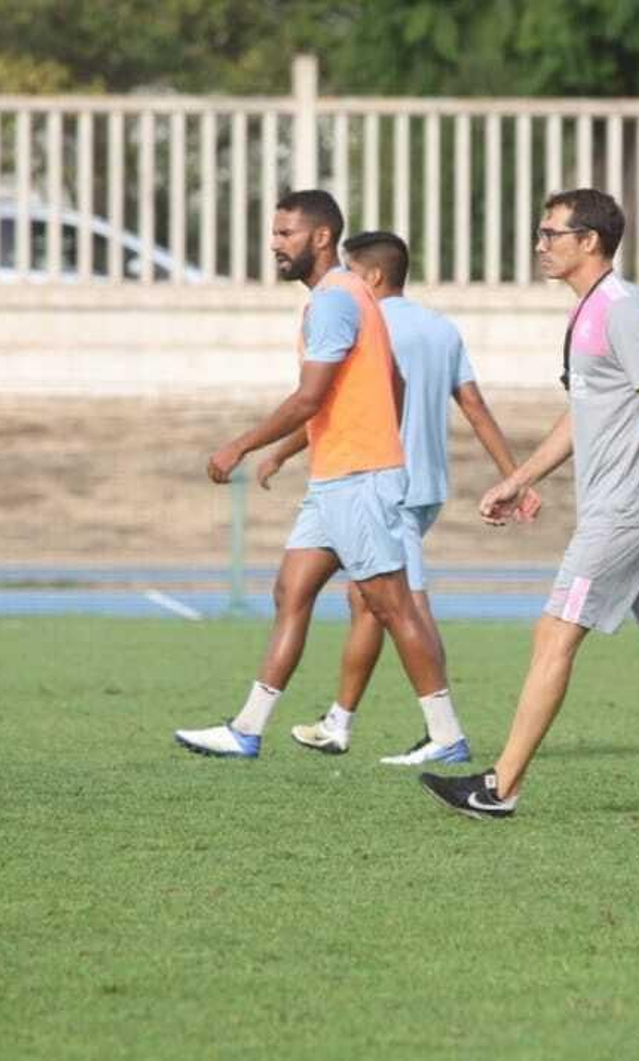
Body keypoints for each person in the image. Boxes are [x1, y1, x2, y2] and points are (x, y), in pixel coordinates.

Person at [419, 188, 639, 821]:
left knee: (554, 632)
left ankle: (499, 787)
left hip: (627, 513)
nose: (540, 245)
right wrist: (521, 476)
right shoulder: (585, 311)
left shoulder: (622, 308)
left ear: (589, 241)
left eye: (550, 234)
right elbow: (582, 413)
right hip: (620, 508)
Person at [172, 190, 455, 762]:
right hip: (338, 476)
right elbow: (390, 382)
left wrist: (243, 446)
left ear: (321, 237)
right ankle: (247, 729)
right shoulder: (348, 295)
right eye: (275, 233)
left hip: (358, 478)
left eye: (286, 234)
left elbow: (308, 398)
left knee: (391, 605)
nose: (275, 245)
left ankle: (446, 734)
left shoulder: (332, 300)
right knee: (291, 591)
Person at [259, 230, 540, 764]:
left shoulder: (363, 319)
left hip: (380, 481)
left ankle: (444, 733)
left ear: (371, 277)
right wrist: (515, 477)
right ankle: (338, 722)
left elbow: (330, 402)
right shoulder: (441, 327)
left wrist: (279, 452)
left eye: (349, 270)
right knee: (365, 601)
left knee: (402, 605)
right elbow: (475, 406)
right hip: (427, 486)